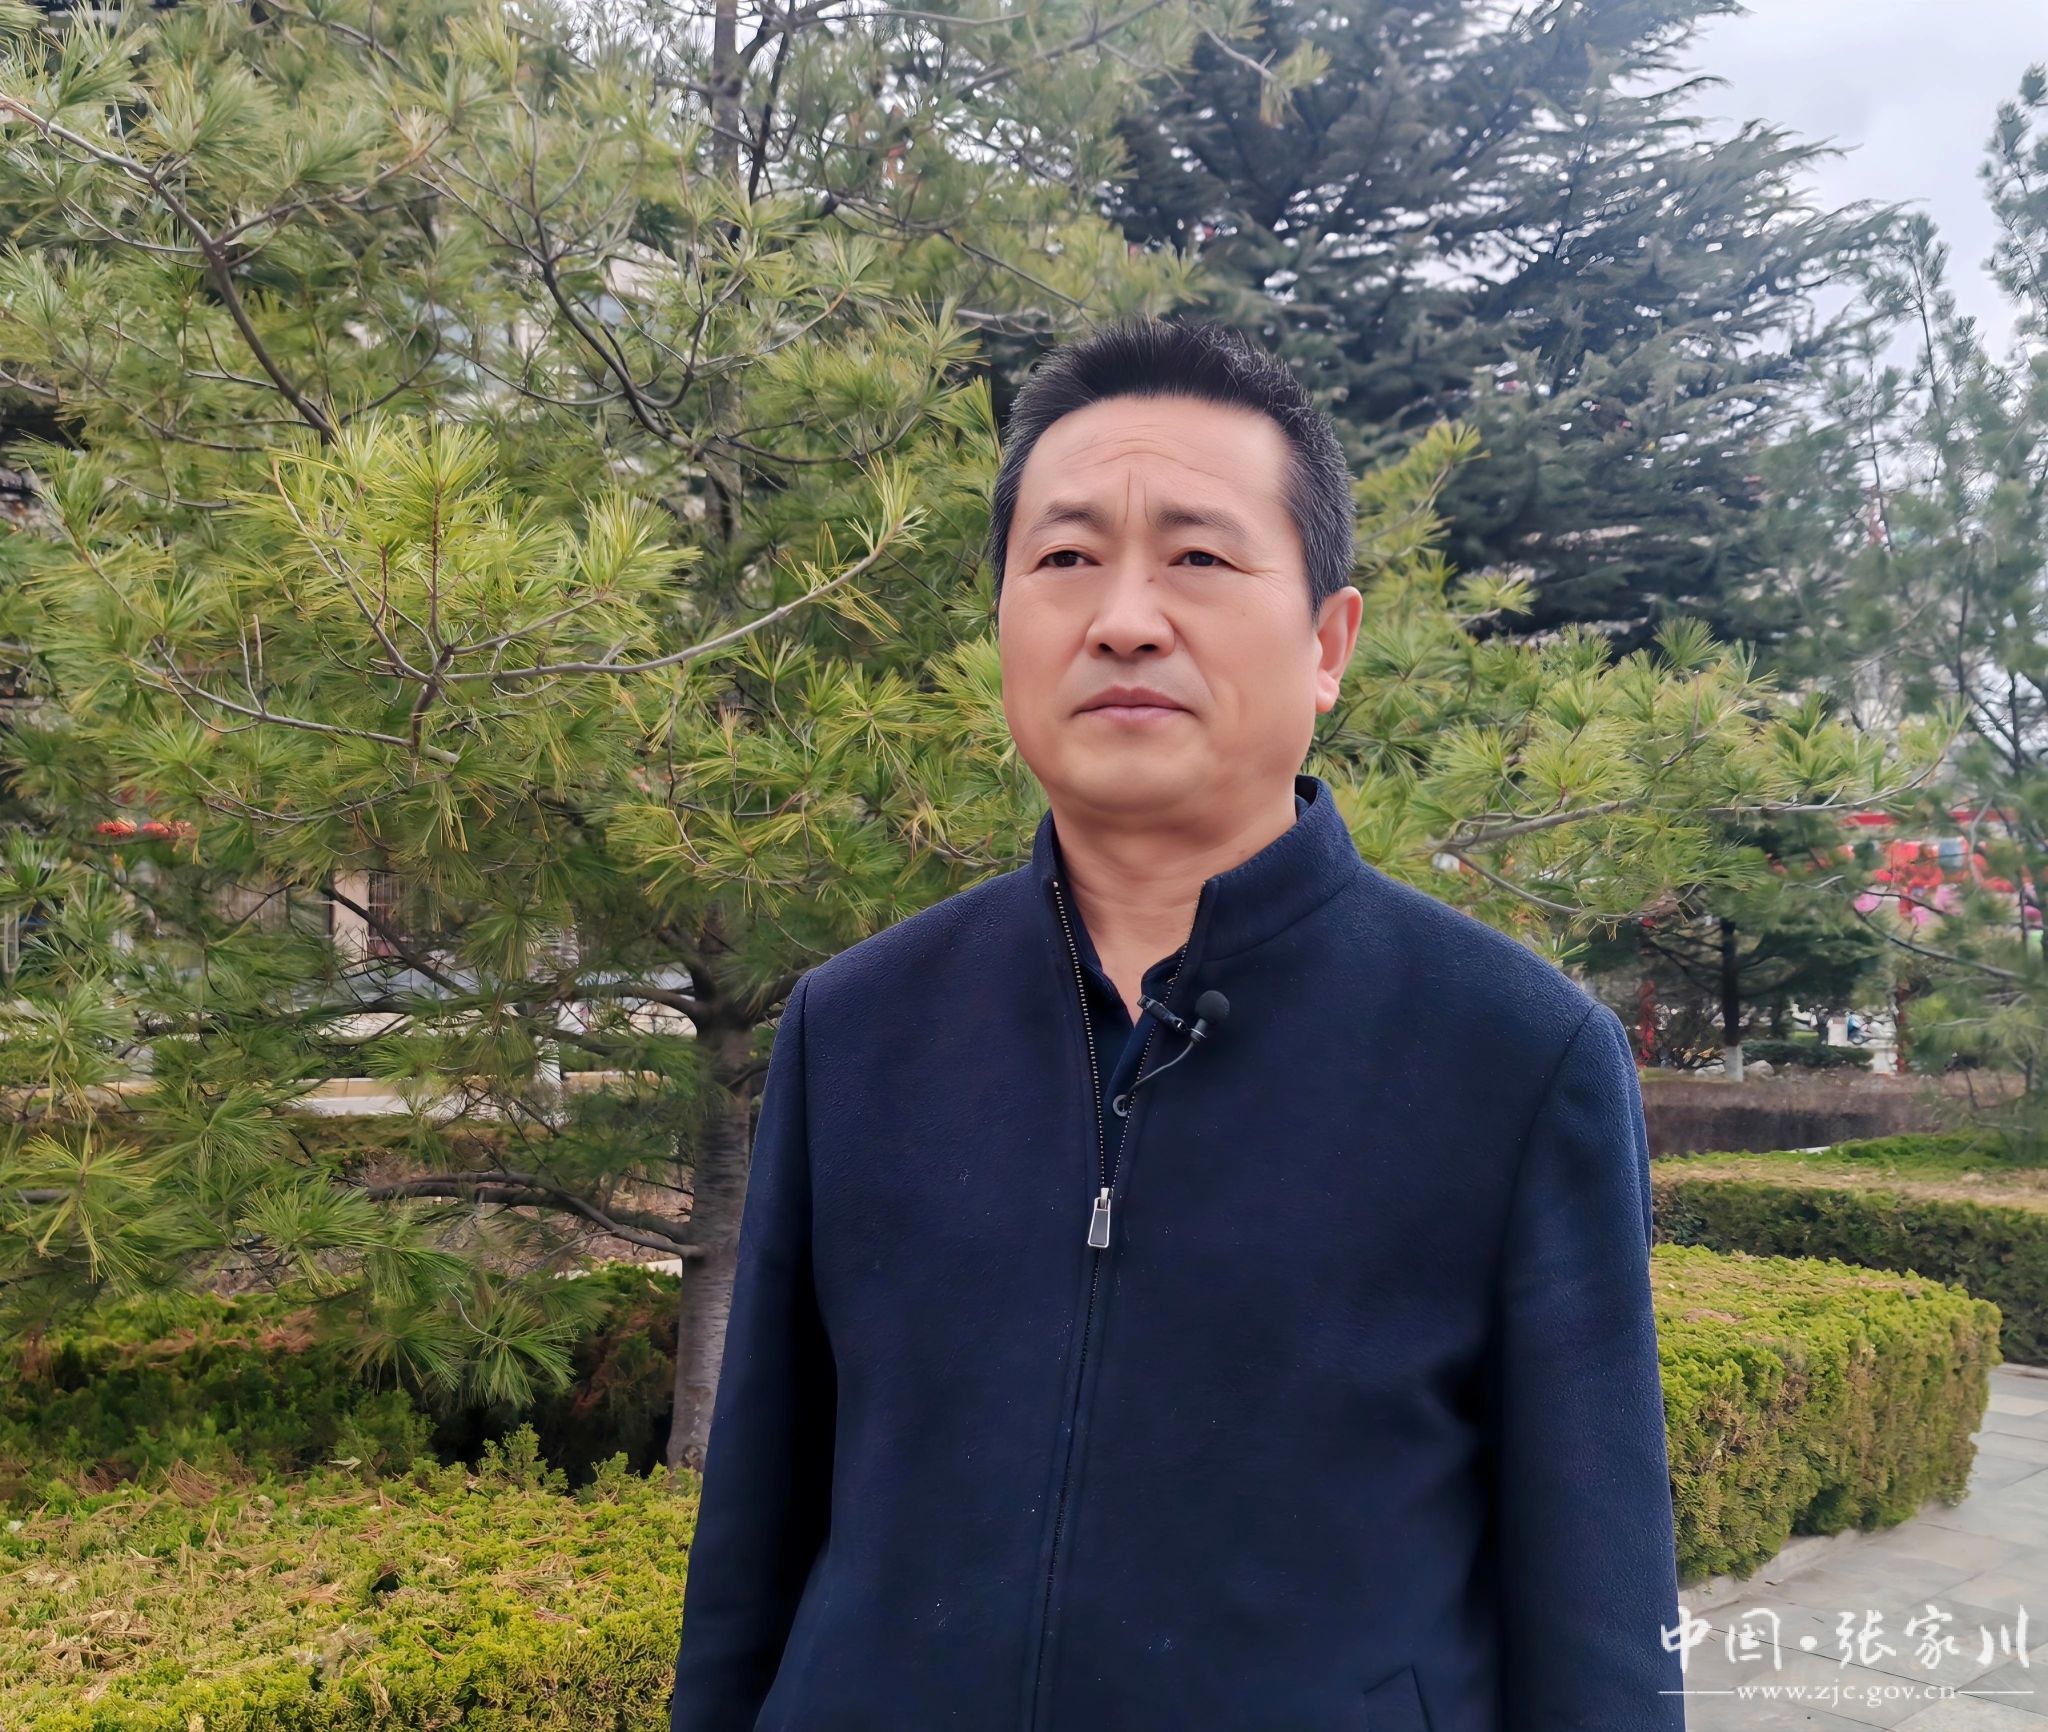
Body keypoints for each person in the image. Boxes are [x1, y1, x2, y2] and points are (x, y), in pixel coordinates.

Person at [668, 316, 1686, 1731]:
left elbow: (1597, 1624)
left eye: (1200, 558)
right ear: (1003, 624)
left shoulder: (1514, 1054)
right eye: (1066, 559)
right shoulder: (856, 1028)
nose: (1126, 618)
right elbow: (755, 1549)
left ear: (1328, 643)